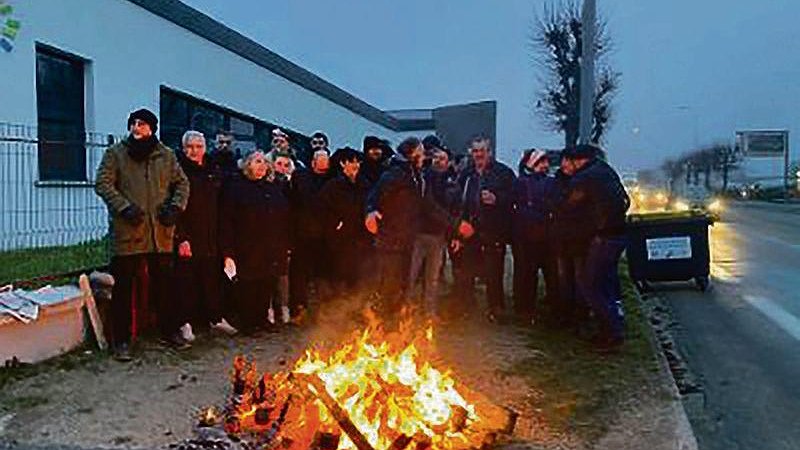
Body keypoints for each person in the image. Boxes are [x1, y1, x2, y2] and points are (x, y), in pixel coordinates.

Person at [95, 108, 190, 360]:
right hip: (129, 232)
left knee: (165, 287)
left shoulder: (166, 155)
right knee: (124, 289)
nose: (137, 128)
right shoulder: (116, 153)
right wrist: (124, 207)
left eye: (143, 124)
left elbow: (182, 183)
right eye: (133, 123)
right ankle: (122, 340)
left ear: (152, 129)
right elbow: (102, 183)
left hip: (160, 233)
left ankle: (169, 331)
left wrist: (175, 208)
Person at [365, 137, 472, 317]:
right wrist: (370, 211)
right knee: (388, 289)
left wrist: (456, 225)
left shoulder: (418, 178)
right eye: (421, 153)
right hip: (390, 243)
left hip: (407, 241)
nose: (425, 157)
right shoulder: (394, 175)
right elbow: (373, 196)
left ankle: (395, 328)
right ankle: (380, 327)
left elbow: (430, 207)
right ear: (412, 154)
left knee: (403, 287)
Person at [558, 144, 630, 351]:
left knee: (589, 285)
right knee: (605, 284)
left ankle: (611, 334)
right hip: (618, 235)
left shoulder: (584, 178)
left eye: (567, 162)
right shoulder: (607, 171)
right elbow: (626, 201)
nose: (564, 166)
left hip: (603, 238)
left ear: (576, 160)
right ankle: (612, 328)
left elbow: (567, 206)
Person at [173, 130, 238, 340]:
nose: (194, 151)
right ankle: (185, 322)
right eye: (190, 147)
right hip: (188, 235)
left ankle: (215, 319)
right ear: (183, 149)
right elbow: (174, 207)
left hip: (211, 235)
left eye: (198, 147)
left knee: (211, 280)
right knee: (186, 282)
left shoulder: (214, 170)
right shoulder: (177, 172)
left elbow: (223, 205)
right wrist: (181, 237)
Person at [219, 150, 291, 332]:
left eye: (264, 162)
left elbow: (283, 215)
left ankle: (262, 318)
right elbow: (227, 219)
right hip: (246, 245)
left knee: (266, 282)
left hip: (270, 244)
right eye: (257, 161)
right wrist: (228, 250)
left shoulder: (272, 188)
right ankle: (248, 321)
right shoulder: (237, 188)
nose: (261, 166)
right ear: (247, 165)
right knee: (248, 284)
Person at [453, 136, 516, 322]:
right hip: (470, 229)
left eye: (482, 150)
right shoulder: (467, 173)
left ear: (490, 152)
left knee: (494, 271)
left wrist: (498, 199)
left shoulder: (503, 172)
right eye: (475, 151)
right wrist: (458, 230)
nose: (478, 154)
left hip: (493, 229)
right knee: (466, 270)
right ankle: (465, 306)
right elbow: (458, 201)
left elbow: (515, 196)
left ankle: (496, 309)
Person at [406, 145, 458, 315]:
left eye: (443, 158)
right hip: (419, 234)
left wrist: (453, 235)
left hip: (439, 236)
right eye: (436, 158)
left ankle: (429, 312)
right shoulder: (423, 179)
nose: (439, 161)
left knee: (433, 278)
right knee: (411, 275)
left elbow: (455, 209)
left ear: (449, 162)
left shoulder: (453, 182)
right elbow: (427, 206)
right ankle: (403, 310)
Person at [512, 149, 558, 326]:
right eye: (540, 162)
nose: (545, 165)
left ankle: (554, 310)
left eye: (546, 162)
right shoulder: (520, 183)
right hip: (526, 237)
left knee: (552, 275)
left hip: (546, 236)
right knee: (526, 275)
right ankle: (524, 310)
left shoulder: (551, 183)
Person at [318, 147, 372, 296]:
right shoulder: (333, 186)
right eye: (351, 161)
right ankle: (339, 310)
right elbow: (323, 210)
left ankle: (358, 311)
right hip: (340, 241)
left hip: (361, 239)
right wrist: (336, 225)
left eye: (358, 161)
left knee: (359, 278)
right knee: (340, 278)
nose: (356, 165)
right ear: (343, 163)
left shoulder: (364, 184)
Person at [288, 148, 332, 321]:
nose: (324, 164)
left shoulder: (331, 180)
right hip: (303, 235)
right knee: (300, 277)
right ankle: (299, 310)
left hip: (324, 237)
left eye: (326, 160)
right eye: (320, 160)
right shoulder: (301, 177)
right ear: (313, 161)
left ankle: (324, 311)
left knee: (323, 277)